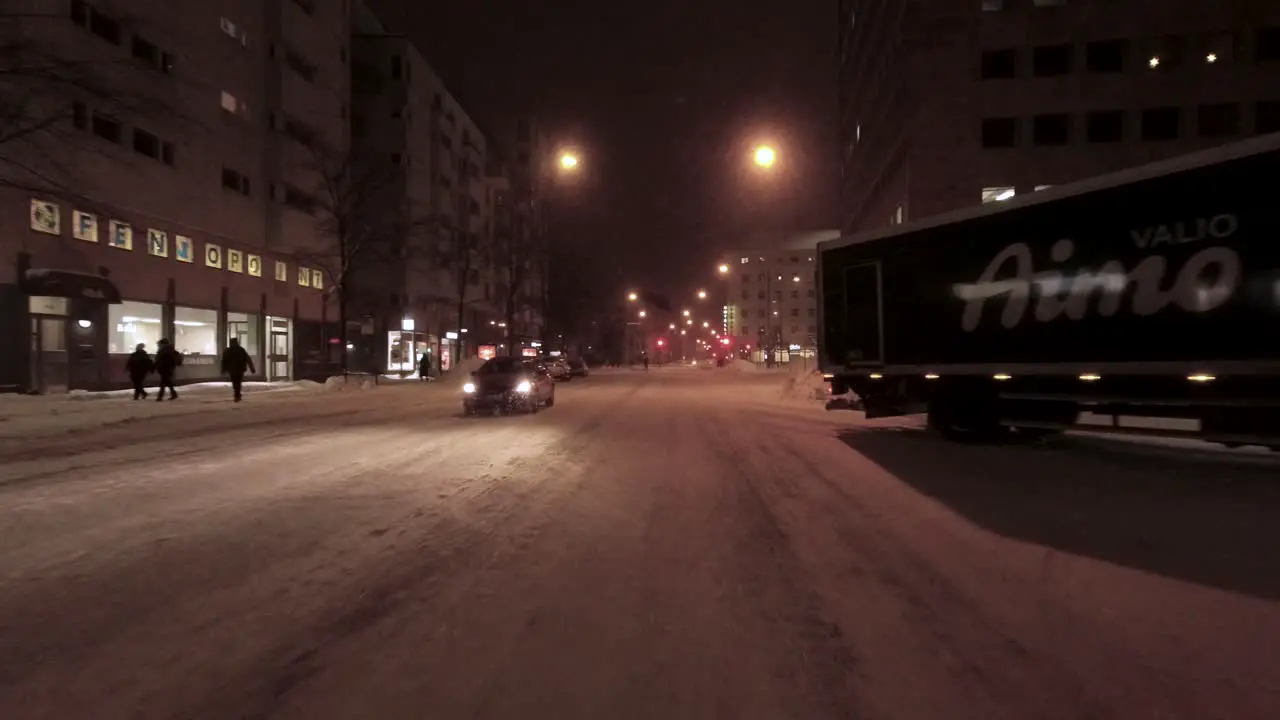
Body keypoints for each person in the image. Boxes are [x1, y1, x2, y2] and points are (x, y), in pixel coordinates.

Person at [221, 337, 255, 402]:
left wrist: (223, 369)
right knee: (238, 382)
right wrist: (252, 368)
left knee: (235, 382)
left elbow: (224, 361)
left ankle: (237, 395)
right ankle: (237, 395)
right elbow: (248, 359)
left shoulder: (228, 351)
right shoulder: (241, 350)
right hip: (240, 369)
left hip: (232, 370)